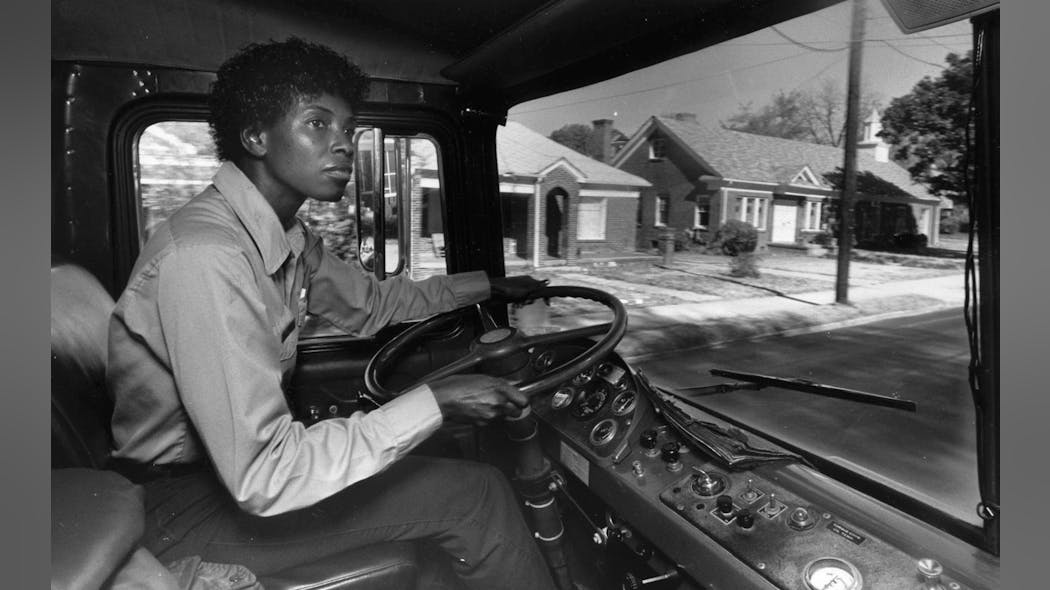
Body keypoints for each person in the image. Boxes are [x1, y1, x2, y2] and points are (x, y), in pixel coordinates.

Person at [106, 37, 555, 590]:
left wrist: (486, 285)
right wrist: (434, 401)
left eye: (348, 129)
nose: (343, 145)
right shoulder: (207, 256)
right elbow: (263, 475)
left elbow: (373, 304)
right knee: (477, 495)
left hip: (210, 485)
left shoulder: (283, 236)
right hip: (177, 507)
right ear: (255, 137)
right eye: (317, 124)